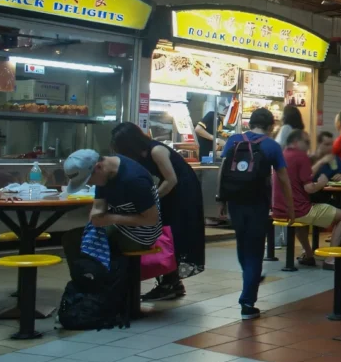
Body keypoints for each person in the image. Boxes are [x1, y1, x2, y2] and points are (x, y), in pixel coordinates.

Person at [110, 123, 205, 301]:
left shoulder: (156, 151)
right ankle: (171, 282)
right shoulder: (142, 154)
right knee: (168, 234)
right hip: (172, 192)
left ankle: (169, 283)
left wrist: (152, 198)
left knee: (173, 233)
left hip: (183, 193)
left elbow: (171, 180)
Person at [220, 107, 292, 320]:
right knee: (254, 251)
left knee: (243, 246)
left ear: (250, 123)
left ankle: (251, 277)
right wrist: (289, 207)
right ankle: (248, 302)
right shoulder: (271, 146)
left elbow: (223, 171)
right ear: (271, 126)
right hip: (257, 205)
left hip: (234, 202)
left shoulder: (233, 140)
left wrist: (220, 200)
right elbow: (283, 179)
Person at [272, 130, 341, 267]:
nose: (308, 146)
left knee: (302, 220)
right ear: (296, 143)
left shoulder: (283, 155)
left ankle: (308, 255)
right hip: (298, 210)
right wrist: (322, 182)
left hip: (279, 209)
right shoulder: (301, 157)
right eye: (306, 142)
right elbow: (309, 188)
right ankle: (331, 259)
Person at [64, 149, 162, 254]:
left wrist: (111, 218)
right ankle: (90, 270)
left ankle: (106, 270)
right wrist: (94, 218)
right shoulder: (105, 174)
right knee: (71, 238)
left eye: (89, 180)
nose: (91, 184)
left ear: (98, 167)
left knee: (87, 245)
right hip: (119, 226)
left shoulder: (134, 180)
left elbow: (152, 219)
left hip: (142, 234)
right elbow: (98, 206)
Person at [274, 104, 305, 247]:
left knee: (279, 205)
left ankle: (277, 240)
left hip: (281, 170)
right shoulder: (300, 132)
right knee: (290, 204)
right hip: (295, 172)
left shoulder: (285, 129)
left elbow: (277, 147)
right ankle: (287, 239)